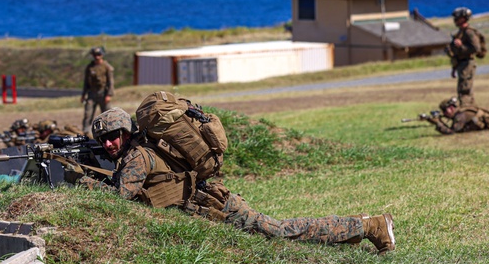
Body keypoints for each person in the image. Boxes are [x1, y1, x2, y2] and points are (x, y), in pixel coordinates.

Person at [69, 108, 396, 254]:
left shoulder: (137, 156)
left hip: (216, 204)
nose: (110, 144)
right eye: (105, 140)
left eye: (114, 136)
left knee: (280, 233)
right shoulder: (137, 153)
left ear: (126, 133)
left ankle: (370, 227)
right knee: (278, 233)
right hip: (208, 203)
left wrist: (82, 182)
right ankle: (359, 228)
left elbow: (118, 197)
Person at [445, 7, 484, 106]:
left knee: (465, 92)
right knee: (463, 90)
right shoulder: (461, 32)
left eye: (457, 18)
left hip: (467, 64)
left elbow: (476, 48)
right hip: (462, 64)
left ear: (463, 18)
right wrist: (454, 67)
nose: (455, 20)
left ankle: (467, 112)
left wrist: (461, 46)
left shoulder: (469, 32)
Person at [81, 47, 114, 134]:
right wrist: (83, 94)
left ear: (102, 55)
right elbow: (86, 82)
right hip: (92, 93)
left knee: (107, 113)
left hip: (103, 93)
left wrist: (109, 95)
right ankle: (86, 132)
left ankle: (109, 130)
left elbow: (111, 82)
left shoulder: (107, 67)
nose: (97, 57)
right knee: (88, 114)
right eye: (95, 55)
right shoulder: (90, 67)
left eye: (99, 55)